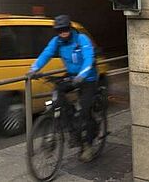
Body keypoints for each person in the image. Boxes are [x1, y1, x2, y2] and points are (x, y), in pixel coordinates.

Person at [27, 14, 98, 163]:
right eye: (60, 30)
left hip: (88, 78)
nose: (63, 33)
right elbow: (46, 53)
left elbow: (88, 58)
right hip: (72, 75)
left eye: (65, 29)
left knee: (85, 111)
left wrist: (82, 75)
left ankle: (88, 145)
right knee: (57, 95)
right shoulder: (57, 41)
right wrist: (34, 69)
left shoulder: (81, 39)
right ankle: (73, 131)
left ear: (70, 28)